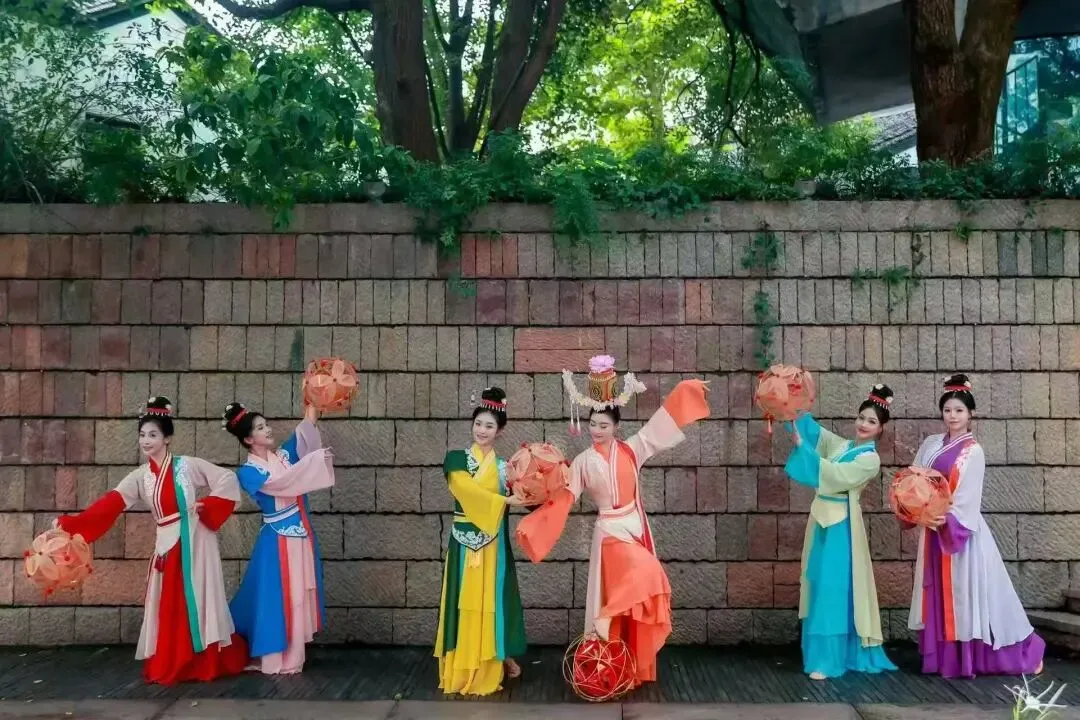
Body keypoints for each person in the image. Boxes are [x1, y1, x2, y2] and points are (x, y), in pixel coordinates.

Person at [515, 355, 709, 688]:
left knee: (641, 583)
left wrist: (684, 391)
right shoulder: (582, 461)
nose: (596, 430)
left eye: (603, 425)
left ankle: (624, 668)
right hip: (609, 534)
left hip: (634, 528)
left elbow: (660, 425)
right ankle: (604, 632)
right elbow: (564, 498)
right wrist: (533, 517)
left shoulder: (633, 449)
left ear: (616, 426)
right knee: (646, 574)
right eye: (593, 424)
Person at [56, 397, 247, 684]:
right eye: (143, 435)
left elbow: (227, 479)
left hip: (195, 541)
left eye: (153, 435)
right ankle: (175, 659)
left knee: (196, 598)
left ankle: (203, 661)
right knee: (169, 603)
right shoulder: (140, 477)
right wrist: (71, 525)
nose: (146, 440)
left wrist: (207, 505)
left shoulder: (187, 466)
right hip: (166, 543)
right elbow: (111, 504)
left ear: (167, 438)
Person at [908, 374, 1045, 678]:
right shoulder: (931, 444)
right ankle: (945, 660)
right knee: (940, 592)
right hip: (933, 530)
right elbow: (914, 478)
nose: (953, 416)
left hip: (959, 532)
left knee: (970, 596)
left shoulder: (973, 451)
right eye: (947, 410)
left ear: (970, 413)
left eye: (959, 410)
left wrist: (942, 518)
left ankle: (1015, 656)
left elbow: (967, 498)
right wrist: (915, 506)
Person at [783, 384, 898, 680]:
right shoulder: (843, 447)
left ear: (881, 429)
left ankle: (829, 661)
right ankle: (820, 655)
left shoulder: (869, 460)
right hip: (820, 521)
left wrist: (803, 448)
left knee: (833, 589)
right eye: (861, 418)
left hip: (841, 526)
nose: (864, 424)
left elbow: (835, 476)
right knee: (817, 583)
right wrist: (792, 405)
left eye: (871, 421)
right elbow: (817, 433)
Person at [224, 402, 335, 675]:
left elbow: (305, 431)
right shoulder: (249, 472)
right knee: (277, 598)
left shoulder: (284, 457)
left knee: (297, 595)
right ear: (249, 439)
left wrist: (314, 398)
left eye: (266, 425)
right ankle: (275, 658)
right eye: (260, 428)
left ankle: (295, 655)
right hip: (276, 540)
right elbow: (283, 484)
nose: (268, 429)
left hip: (299, 535)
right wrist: (307, 469)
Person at [434, 387, 528, 695]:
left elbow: (527, 495)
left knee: (493, 602)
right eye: (478, 424)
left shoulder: (505, 468)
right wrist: (504, 501)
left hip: (493, 546)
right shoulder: (456, 460)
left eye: (489, 426)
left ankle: (495, 659)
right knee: (465, 603)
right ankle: (463, 668)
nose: (482, 430)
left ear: (500, 431)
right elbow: (466, 491)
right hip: (464, 544)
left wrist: (536, 482)